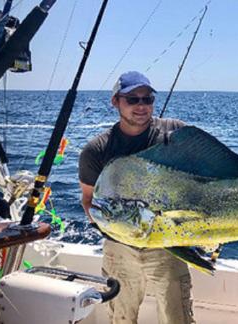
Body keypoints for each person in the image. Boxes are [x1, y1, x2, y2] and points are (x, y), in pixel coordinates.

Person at [79, 71, 194, 324]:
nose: (141, 106)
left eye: (148, 99)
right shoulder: (96, 150)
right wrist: (120, 231)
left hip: (167, 245)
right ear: (115, 102)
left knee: (177, 318)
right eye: (132, 99)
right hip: (119, 249)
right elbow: (88, 200)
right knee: (121, 318)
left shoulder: (175, 133)